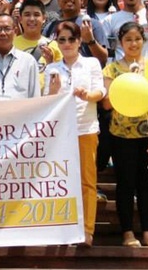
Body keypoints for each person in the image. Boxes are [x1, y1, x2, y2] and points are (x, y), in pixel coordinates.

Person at [101, 22, 148, 248]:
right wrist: (126, 80)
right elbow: (107, 104)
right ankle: (128, 232)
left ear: (143, 40)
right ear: (121, 42)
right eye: (128, 39)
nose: (133, 43)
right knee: (126, 184)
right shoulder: (111, 69)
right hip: (120, 136)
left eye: (137, 39)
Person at [45, 21, 105, 247]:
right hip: (60, 133)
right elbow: (45, 102)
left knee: (88, 182)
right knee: (61, 182)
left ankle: (87, 231)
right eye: (62, 40)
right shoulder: (52, 68)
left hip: (85, 129)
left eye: (72, 39)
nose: (67, 44)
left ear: (80, 41)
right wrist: (52, 91)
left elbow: (100, 91)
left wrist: (87, 95)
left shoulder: (90, 64)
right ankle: (64, 229)